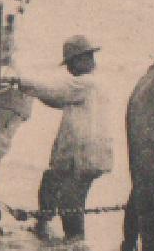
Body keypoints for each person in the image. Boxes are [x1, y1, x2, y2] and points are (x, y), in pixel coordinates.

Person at [9, 35, 114, 239]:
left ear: (80, 61)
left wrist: (19, 82)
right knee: (51, 181)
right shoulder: (91, 85)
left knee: (71, 203)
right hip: (89, 153)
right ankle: (43, 226)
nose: (69, 69)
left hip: (83, 156)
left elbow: (54, 91)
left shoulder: (85, 83)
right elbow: (56, 99)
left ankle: (74, 244)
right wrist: (33, 91)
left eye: (71, 63)